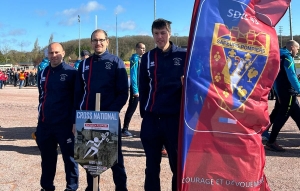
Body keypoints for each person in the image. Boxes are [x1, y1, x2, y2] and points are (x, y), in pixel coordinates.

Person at [74, 29, 128, 191]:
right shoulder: (84, 64)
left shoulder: (115, 62)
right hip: (87, 119)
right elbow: (78, 93)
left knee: (114, 157)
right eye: (95, 40)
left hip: (109, 118)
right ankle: (92, 188)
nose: (98, 43)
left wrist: (110, 113)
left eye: (101, 40)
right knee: (90, 157)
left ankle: (121, 187)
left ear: (107, 41)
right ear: (91, 42)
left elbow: (123, 93)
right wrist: (76, 117)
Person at [139, 18, 186, 191]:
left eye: (163, 33)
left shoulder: (183, 55)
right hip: (152, 119)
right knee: (151, 167)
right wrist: (145, 113)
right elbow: (143, 88)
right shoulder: (148, 57)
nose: (160, 37)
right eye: (156, 34)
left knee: (177, 166)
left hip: (174, 120)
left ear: (170, 33)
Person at [36, 42, 79, 191]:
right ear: (47, 54)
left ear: (63, 53)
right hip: (45, 125)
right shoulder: (42, 73)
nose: (54, 56)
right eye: (51, 53)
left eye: (57, 53)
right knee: (47, 159)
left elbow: (76, 100)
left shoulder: (72, 73)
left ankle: (71, 187)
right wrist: (39, 122)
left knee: (70, 159)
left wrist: (74, 122)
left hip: (65, 125)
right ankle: (47, 187)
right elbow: (41, 98)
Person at [266, 40, 300, 152]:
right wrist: (299, 89)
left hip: (282, 92)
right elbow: (292, 76)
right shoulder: (287, 57)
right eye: (297, 48)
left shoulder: (278, 56)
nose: (297, 51)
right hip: (288, 92)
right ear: (292, 47)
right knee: (281, 117)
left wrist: (277, 92)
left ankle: (265, 134)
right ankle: (271, 142)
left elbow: (274, 77)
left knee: (298, 115)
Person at [121, 42, 146, 137]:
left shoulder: (142, 59)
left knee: (144, 109)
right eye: (141, 48)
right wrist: (135, 90)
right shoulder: (134, 59)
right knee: (131, 108)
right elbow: (133, 75)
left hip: (143, 88)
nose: (143, 50)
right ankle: (125, 129)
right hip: (135, 89)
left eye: (144, 48)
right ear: (137, 48)